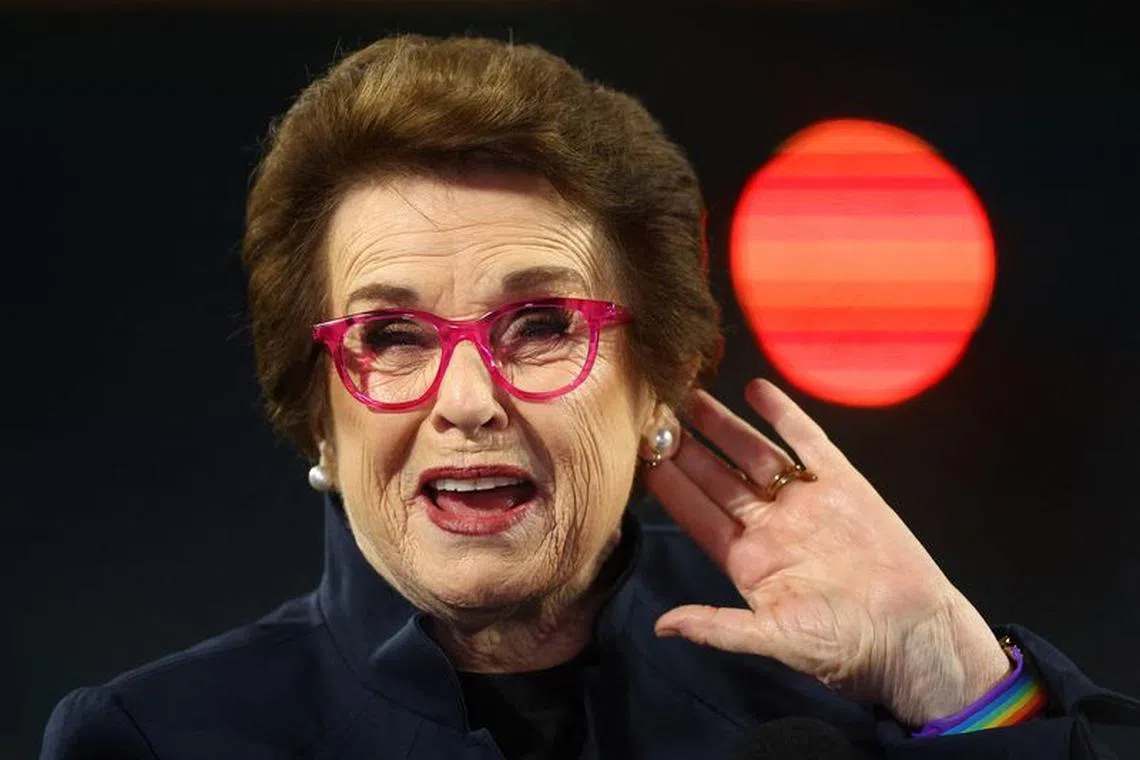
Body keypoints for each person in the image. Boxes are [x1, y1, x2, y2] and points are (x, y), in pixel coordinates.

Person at [41, 33, 1140, 760]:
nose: (467, 401)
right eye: (391, 336)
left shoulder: (838, 698)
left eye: (541, 325)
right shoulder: (152, 740)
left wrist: (953, 678)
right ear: (321, 411)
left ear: (657, 384)